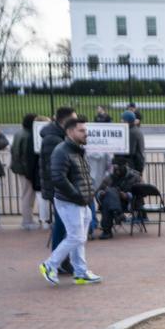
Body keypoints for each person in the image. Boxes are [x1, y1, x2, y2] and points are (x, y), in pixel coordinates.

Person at [39, 117, 102, 285]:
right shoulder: (62, 151)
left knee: (79, 238)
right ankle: (49, 264)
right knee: (75, 236)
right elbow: (58, 178)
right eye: (81, 130)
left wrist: (86, 196)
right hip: (70, 201)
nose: (85, 133)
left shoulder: (77, 150)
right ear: (70, 132)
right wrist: (77, 196)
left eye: (85, 130)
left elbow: (82, 175)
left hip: (81, 201)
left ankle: (80, 272)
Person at [41, 107, 78, 273]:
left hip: (62, 188)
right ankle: (57, 262)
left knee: (65, 226)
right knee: (62, 226)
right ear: (64, 121)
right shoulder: (53, 139)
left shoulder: (58, 137)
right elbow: (55, 169)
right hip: (59, 189)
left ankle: (62, 261)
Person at [95, 156, 142, 239]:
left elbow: (140, 194)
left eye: (119, 168)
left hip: (127, 203)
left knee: (109, 195)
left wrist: (127, 195)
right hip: (113, 205)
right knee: (109, 195)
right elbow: (98, 192)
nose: (116, 171)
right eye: (115, 168)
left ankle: (107, 231)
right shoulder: (109, 177)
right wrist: (102, 193)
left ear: (125, 166)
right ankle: (118, 213)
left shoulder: (135, 176)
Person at [10, 113, 41, 229]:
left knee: (26, 194)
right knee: (28, 195)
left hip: (19, 168)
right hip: (25, 169)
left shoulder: (19, 132)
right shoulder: (28, 135)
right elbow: (25, 156)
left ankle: (27, 219)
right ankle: (27, 220)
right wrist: (29, 172)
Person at [33, 116, 52, 229]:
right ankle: (45, 219)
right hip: (41, 171)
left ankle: (44, 219)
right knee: (43, 198)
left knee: (43, 198)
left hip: (39, 171)